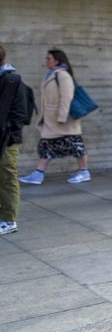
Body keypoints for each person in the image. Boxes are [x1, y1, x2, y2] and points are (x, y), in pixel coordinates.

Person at [18, 49, 90, 185]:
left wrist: (62, 117)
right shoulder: (50, 75)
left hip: (63, 119)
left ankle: (84, 171)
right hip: (52, 119)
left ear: (57, 61)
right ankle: (38, 173)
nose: (46, 61)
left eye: (49, 58)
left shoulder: (62, 75)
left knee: (75, 144)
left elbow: (67, 97)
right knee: (47, 145)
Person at [1, 44, 32, 235]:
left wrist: (9, 134)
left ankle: (8, 219)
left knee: (6, 177)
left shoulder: (12, 81)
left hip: (6, 139)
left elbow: (20, 114)